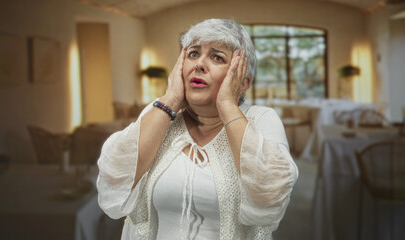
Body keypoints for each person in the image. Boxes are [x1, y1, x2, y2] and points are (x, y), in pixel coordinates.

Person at [97, 18, 298, 240]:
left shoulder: (261, 119)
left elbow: (271, 195)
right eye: (193, 54)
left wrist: (228, 106)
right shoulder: (160, 113)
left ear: (243, 82)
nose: (199, 64)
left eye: (217, 57)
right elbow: (113, 179)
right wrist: (171, 98)